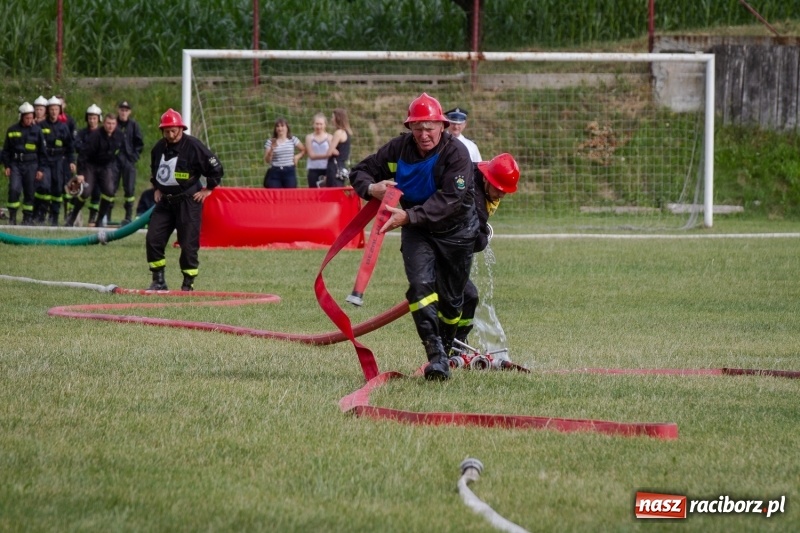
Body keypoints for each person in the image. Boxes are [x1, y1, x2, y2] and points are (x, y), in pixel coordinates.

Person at [349, 93, 477, 381]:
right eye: (417, 128)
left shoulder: (457, 154)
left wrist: (408, 216)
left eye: (429, 127)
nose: (423, 134)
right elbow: (361, 171)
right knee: (420, 287)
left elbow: (450, 200)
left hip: (457, 232)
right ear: (410, 128)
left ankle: (447, 347)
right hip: (417, 230)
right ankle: (436, 355)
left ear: (442, 126)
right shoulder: (399, 148)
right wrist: (371, 188)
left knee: (453, 300)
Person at [145, 108, 223, 291]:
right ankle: (158, 280)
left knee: (188, 244)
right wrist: (157, 188)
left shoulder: (194, 146)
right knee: (153, 238)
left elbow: (216, 168)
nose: (170, 135)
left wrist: (208, 189)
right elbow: (155, 169)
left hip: (188, 202)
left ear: (181, 129)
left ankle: (188, 283)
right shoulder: (158, 148)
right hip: (165, 202)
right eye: (166, 131)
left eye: (173, 131)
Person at [454, 153, 520, 348]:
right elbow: (476, 241)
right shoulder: (475, 199)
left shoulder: (479, 170)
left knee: (468, 296)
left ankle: (457, 343)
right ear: (487, 179)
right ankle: (448, 345)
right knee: (465, 296)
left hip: (453, 247)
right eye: (499, 189)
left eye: (505, 191)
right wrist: (483, 236)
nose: (501, 195)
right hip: (440, 249)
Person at [65, 113, 125, 228]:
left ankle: (99, 221)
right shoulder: (95, 136)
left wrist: (116, 167)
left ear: (116, 124)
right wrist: (80, 174)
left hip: (106, 166)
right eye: (108, 123)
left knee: (109, 191)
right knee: (85, 192)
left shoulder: (119, 135)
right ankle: (71, 219)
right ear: (104, 123)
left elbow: (120, 152)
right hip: (91, 165)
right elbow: (83, 154)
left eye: (113, 124)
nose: (110, 126)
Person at [1, 102, 46, 225]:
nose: (29, 120)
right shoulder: (12, 130)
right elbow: (6, 151)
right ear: (21, 117)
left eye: (31, 117)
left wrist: (40, 169)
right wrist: (7, 166)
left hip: (32, 165)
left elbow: (42, 152)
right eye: (27, 118)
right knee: (14, 189)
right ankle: (12, 217)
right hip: (15, 164)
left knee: (30, 191)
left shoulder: (37, 131)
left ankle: (27, 218)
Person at [37, 96, 75, 225]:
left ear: (60, 111)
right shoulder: (41, 126)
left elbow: (70, 146)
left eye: (56, 109)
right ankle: (41, 214)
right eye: (52, 109)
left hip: (59, 160)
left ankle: (54, 217)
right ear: (48, 110)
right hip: (45, 160)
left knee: (58, 188)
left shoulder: (64, 127)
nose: (54, 112)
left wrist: (71, 161)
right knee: (45, 186)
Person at [115, 100, 145, 225]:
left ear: (129, 112)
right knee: (110, 187)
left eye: (126, 110)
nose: (123, 112)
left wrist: (134, 156)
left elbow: (140, 143)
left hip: (128, 160)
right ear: (118, 110)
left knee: (129, 188)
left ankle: (128, 215)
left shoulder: (133, 125)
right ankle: (106, 215)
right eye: (122, 110)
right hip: (114, 160)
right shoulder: (114, 123)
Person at [74, 104, 103, 226]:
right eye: (90, 118)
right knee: (82, 191)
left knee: (96, 192)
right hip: (85, 166)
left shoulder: (103, 133)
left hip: (99, 167)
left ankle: (92, 217)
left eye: (94, 118)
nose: (92, 120)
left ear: (99, 119)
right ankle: (75, 214)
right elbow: (77, 147)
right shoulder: (82, 133)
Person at [263, 117, 304, 188]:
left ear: (287, 127)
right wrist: (271, 149)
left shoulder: (293, 139)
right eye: (277, 126)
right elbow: (267, 160)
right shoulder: (270, 141)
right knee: (275, 194)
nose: (280, 128)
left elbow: (303, 150)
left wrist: (297, 157)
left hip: (289, 171)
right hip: (275, 172)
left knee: (290, 193)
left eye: (282, 126)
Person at [324, 108, 352, 187]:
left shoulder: (338, 133)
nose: (332, 119)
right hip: (341, 166)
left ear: (338, 118)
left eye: (333, 117)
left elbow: (329, 152)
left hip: (334, 167)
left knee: (333, 190)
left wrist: (329, 140)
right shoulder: (346, 133)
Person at [304, 113, 331, 188]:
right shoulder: (309, 137)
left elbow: (332, 154)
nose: (319, 126)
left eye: (321, 124)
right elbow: (311, 155)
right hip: (313, 169)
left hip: (327, 169)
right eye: (317, 124)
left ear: (325, 125)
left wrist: (328, 155)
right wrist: (327, 155)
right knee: (313, 191)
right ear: (313, 124)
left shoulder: (329, 137)